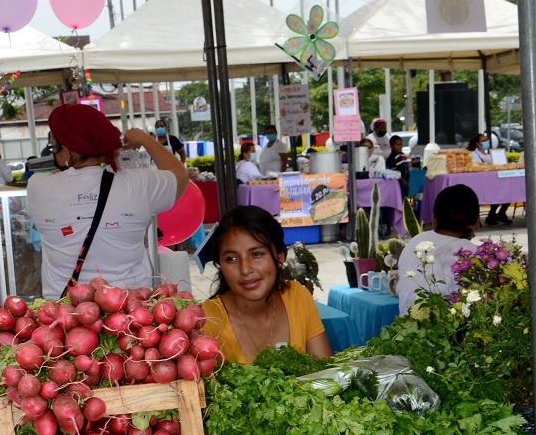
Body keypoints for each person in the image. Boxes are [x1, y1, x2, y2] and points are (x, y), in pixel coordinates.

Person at [26, 102, 188, 299]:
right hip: (131, 310)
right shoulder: (138, 183)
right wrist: (145, 139)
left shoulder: (39, 186)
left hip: (65, 316)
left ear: (68, 151)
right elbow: (179, 175)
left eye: (55, 146)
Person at [202, 205, 332, 365]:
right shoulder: (207, 320)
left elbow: (327, 372)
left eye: (256, 254)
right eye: (231, 258)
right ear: (221, 265)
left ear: (280, 255)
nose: (245, 269)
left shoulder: (297, 296)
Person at [396, 184, 480, 315]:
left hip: (404, 330)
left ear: (434, 219)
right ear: (476, 222)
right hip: (446, 332)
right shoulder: (472, 254)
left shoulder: (415, 242)